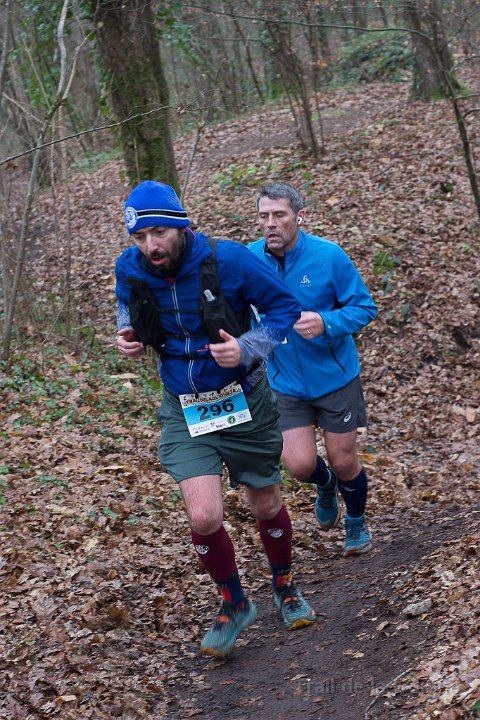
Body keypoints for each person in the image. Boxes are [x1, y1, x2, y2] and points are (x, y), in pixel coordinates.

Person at [115, 180, 316, 658]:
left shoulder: (228, 260)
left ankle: (284, 585)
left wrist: (246, 347)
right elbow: (125, 304)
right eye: (140, 237)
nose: (150, 247)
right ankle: (234, 602)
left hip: (242, 398)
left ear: (182, 227)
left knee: (265, 502)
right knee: (204, 516)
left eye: (159, 233)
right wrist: (127, 332)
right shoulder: (130, 266)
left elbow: (285, 309)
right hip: (184, 406)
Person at [248, 183, 377, 556]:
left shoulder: (328, 256)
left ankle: (355, 522)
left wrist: (326, 321)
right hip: (285, 381)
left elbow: (364, 308)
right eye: (263, 216)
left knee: (343, 459)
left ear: (299, 217)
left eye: (279, 215)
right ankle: (325, 484)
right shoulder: (249, 259)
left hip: (334, 377)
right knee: (300, 465)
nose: (270, 223)